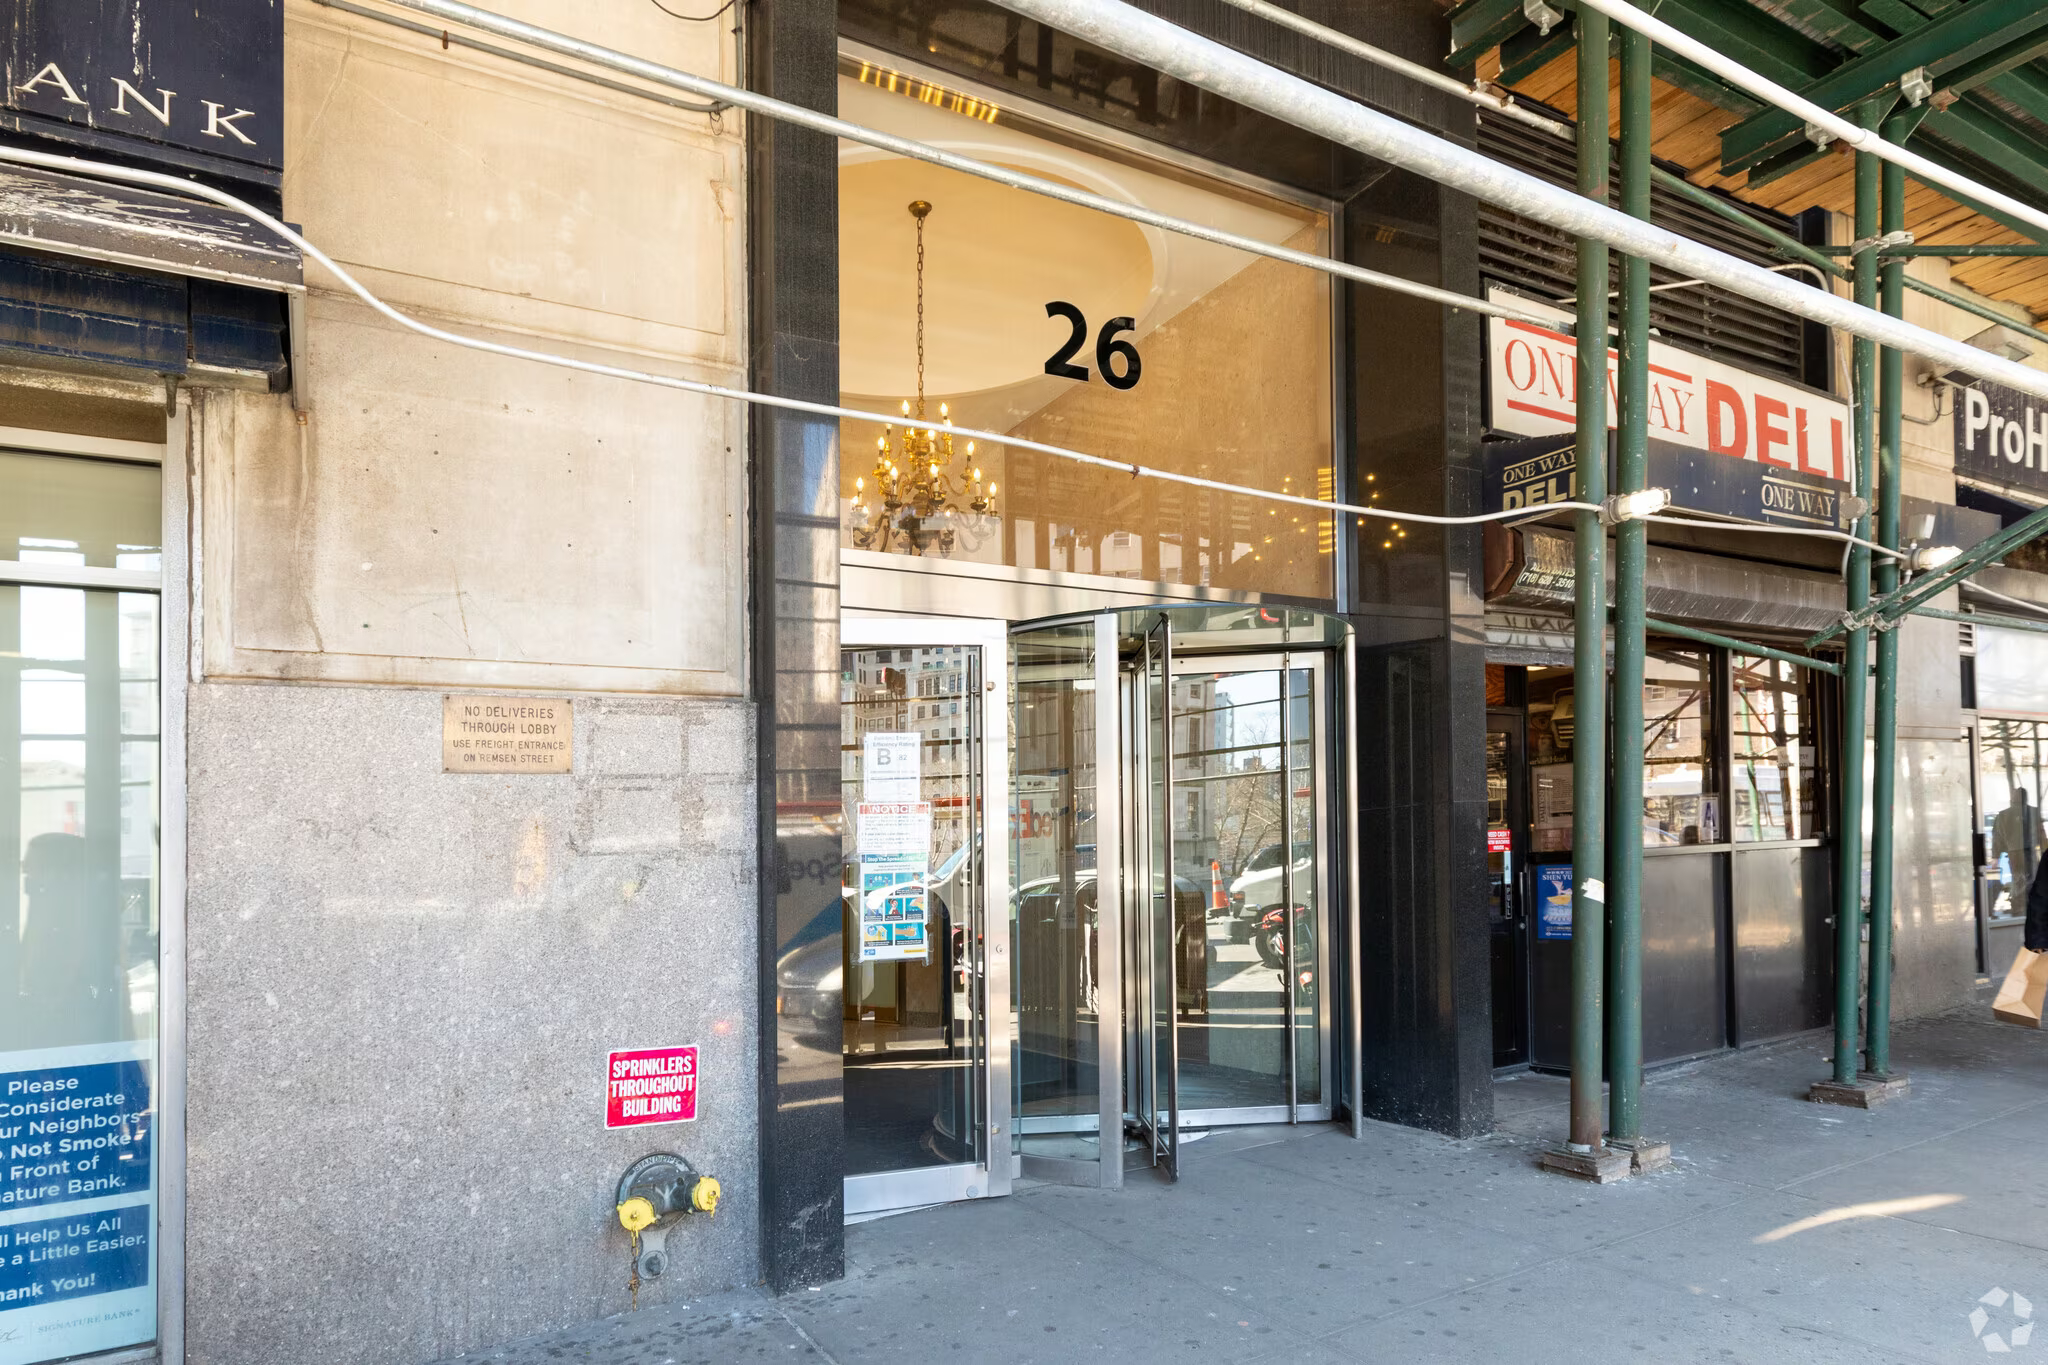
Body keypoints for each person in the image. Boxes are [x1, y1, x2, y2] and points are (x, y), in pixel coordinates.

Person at [1993, 788, 2047, 916]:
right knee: (2031, 880)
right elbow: (2041, 834)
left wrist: (1996, 856)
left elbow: (1997, 837)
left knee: (2018, 881)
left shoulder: (2004, 815)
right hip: (2029, 852)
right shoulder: (2033, 812)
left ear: (2014, 798)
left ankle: (2019, 908)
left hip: (2015, 854)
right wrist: (2045, 850)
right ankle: (2027, 908)